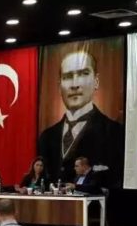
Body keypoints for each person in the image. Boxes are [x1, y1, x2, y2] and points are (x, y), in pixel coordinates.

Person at [37, 50, 124, 187]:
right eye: (67, 76)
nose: (74, 85)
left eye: (83, 74)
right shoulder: (46, 137)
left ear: (96, 81)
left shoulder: (115, 133)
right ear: (59, 86)